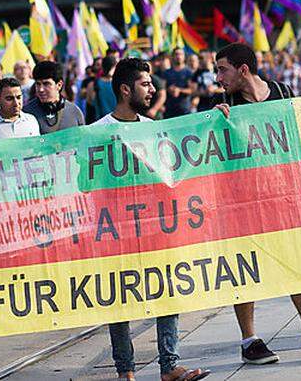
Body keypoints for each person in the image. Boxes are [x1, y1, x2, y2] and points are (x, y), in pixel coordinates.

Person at [210, 44, 301, 364]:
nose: (217, 77)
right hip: (243, 202)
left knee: (300, 262)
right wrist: (215, 122)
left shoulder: (282, 92)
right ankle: (249, 340)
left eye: (222, 69)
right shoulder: (223, 104)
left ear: (243, 70)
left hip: (284, 195)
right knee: (245, 267)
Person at [96, 58, 209, 381]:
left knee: (167, 291)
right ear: (125, 89)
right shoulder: (99, 132)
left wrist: (217, 119)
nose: (153, 89)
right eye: (145, 84)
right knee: (119, 301)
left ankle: (169, 366)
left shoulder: (152, 128)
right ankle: (126, 372)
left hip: (154, 229)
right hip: (117, 231)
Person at [24, 60, 85, 134]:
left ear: (59, 85)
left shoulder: (74, 112)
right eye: (38, 84)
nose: (41, 89)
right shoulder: (26, 113)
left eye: (46, 84)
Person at [161, 48, 197, 118]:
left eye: (181, 54)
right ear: (172, 56)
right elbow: (162, 89)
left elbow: (193, 90)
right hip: (169, 111)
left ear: (184, 56)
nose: (179, 56)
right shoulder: (166, 73)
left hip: (185, 111)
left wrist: (179, 90)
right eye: (176, 54)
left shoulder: (189, 72)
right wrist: (169, 90)